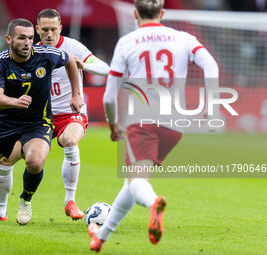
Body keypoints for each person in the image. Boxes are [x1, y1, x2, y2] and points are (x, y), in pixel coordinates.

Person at [88, 0, 219, 252]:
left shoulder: (127, 42)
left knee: (138, 182)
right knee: (132, 182)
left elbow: (108, 96)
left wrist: (113, 124)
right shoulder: (183, 38)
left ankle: (153, 203)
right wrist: (211, 103)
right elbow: (210, 65)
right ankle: (101, 237)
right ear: (163, 13)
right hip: (173, 125)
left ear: (135, 13)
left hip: (142, 121)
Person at [0, 9, 110, 223]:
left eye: (53, 29)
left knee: (69, 140)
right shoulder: (31, 51)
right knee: (5, 159)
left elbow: (105, 68)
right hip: (39, 118)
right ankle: (0, 212)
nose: (49, 34)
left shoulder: (73, 47)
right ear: (37, 30)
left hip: (70, 114)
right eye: (44, 30)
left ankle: (70, 201)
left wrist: (83, 65)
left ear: (60, 29)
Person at [0, 18, 83, 223]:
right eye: (22, 38)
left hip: (38, 122)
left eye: (30, 38)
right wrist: (14, 101)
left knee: (35, 161)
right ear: (9, 39)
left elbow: (70, 61)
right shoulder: (0, 61)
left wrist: (76, 94)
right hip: (5, 121)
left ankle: (25, 201)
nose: (27, 43)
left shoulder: (47, 55)